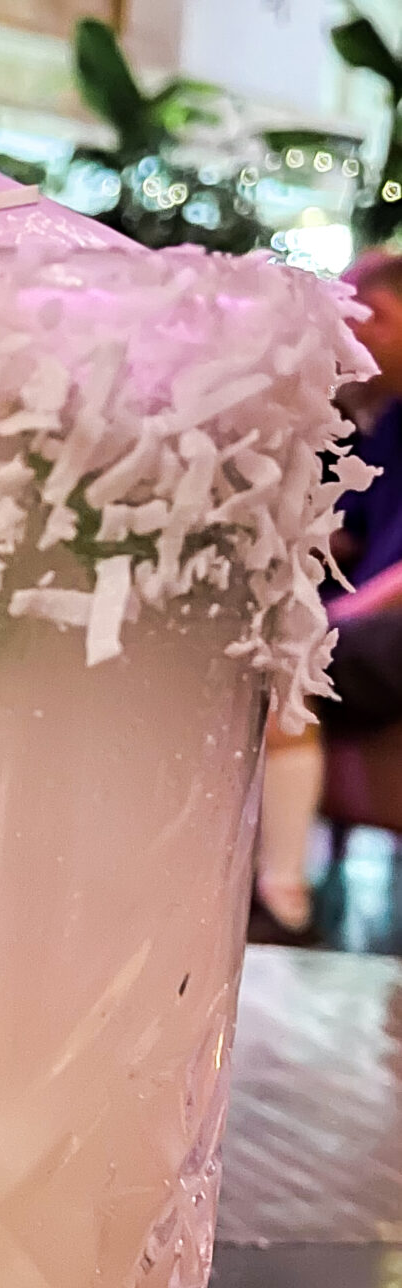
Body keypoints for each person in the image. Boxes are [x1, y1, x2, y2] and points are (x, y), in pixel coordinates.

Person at [254, 249, 402, 939]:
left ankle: (282, 896)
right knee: (258, 635)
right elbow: (348, 534)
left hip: (391, 625)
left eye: (363, 318)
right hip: (374, 619)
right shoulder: (388, 420)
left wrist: (337, 613)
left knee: (282, 657)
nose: (347, 335)